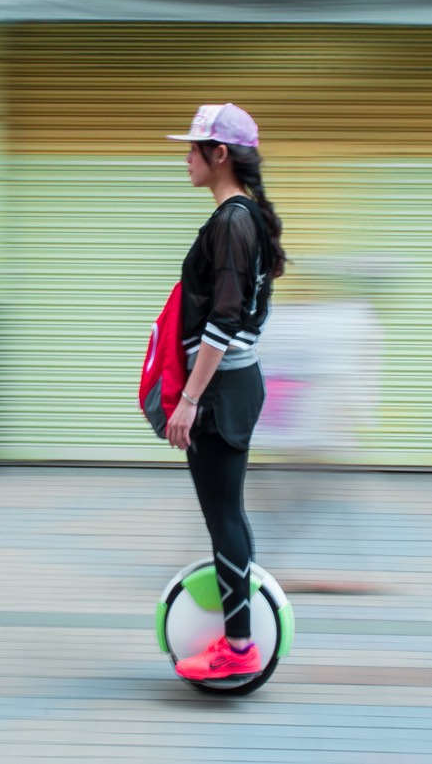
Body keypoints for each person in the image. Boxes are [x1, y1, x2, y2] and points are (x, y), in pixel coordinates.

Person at [163, 103, 287, 682]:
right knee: (225, 512)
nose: (184, 156)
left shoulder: (233, 221)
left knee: (223, 515)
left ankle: (238, 644)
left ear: (220, 155)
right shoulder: (245, 217)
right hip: (232, 382)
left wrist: (190, 398)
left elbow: (225, 318)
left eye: (194, 147)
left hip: (221, 386)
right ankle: (239, 632)